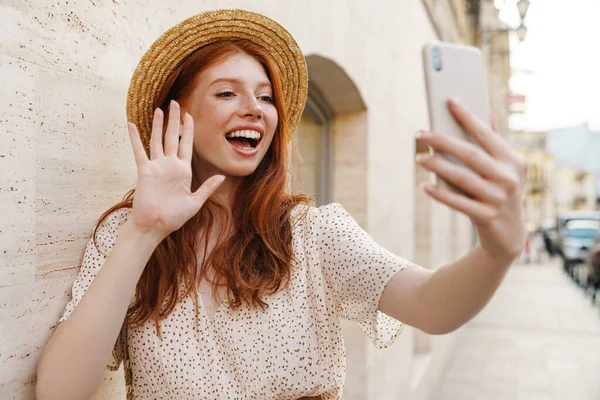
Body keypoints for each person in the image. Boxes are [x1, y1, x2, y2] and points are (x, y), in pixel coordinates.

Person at [35, 9, 527, 400]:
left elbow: (431, 305)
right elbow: (57, 392)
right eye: (227, 92)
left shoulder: (312, 233)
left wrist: (496, 251)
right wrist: (145, 231)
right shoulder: (127, 233)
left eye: (266, 98)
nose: (254, 108)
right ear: (176, 115)